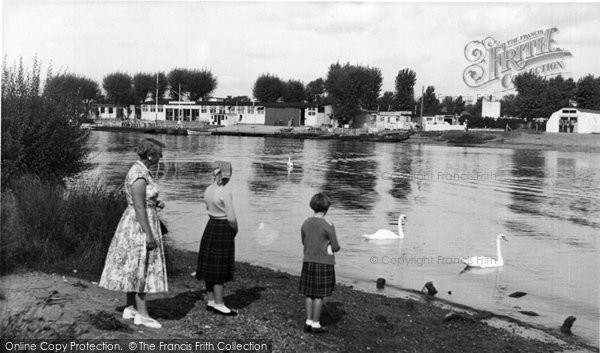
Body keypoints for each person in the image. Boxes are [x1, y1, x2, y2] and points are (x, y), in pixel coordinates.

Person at [99, 138, 168, 329]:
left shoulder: (142, 172)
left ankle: (130, 307)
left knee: (133, 264)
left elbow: (144, 201)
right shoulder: (138, 174)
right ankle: (143, 314)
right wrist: (149, 234)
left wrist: (156, 203)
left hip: (135, 221)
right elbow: (138, 207)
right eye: (159, 154)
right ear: (150, 155)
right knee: (142, 265)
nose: (161, 158)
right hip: (138, 225)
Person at [196, 160, 238, 316]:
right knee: (219, 267)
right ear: (227, 174)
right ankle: (220, 304)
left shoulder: (208, 190)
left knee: (210, 266)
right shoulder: (225, 192)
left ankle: (211, 300)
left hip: (211, 225)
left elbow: (208, 208)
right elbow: (232, 218)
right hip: (223, 227)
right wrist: (235, 230)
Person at [299, 192, 341, 334]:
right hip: (324, 263)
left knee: (309, 293)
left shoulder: (305, 222)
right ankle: (316, 324)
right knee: (319, 295)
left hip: (308, 261)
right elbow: (335, 247)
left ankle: (308, 322)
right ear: (327, 208)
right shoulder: (328, 224)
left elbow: (304, 242)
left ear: (313, 206)